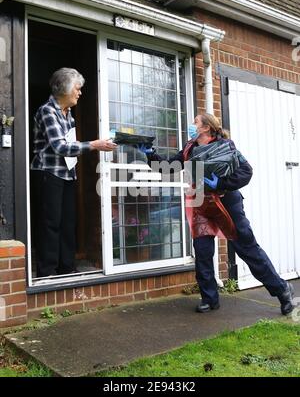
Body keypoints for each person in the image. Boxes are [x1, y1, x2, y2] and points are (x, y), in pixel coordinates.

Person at [141, 113, 295, 315]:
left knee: (247, 249)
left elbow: (246, 171)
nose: (191, 125)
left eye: (195, 122)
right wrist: (150, 153)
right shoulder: (189, 147)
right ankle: (209, 298)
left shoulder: (227, 146)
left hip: (227, 204)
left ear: (206, 128)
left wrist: (221, 184)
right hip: (201, 205)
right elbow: (169, 167)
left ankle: (282, 290)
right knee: (203, 251)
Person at [31, 67, 117, 277]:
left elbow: (71, 144)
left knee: (68, 222)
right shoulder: (47, 111)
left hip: (67, 174)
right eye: (77, 89)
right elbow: (60, 147)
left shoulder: (68, 114)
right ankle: (47, 271)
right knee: (50, 223)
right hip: (47, 173)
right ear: (64, 89)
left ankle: (66, 267)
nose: (80, 93)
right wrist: (95, 145)